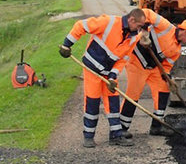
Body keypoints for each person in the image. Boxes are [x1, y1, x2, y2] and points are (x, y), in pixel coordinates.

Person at [58, 9, 148, 148]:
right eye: (139, 25)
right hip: (92, 68)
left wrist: (113, 77)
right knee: (92, 101)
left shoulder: (134, 37)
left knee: (113, 102)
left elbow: (123, 59)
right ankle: (88, 136)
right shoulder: (108, 22)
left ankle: (116, 135)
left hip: (108, 73)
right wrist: (67, 45)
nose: (140, 29)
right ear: (131, 20)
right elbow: (81, 25)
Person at [120, 17, 186, 138]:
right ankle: (122, 129)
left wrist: (169, 79)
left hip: (154, 68)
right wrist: (144, 34)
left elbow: (166, 66)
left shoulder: (177, 49)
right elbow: (145, 13)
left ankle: (157, 126)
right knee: (133, 94)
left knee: (163, 90)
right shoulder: (165, 26)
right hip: (136, 62)